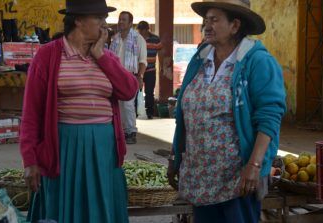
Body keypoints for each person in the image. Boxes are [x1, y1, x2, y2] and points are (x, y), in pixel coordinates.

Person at [167, 0, 286, 223]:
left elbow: (270, 116)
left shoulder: (257, 61)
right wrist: (176, 154)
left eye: (215, 20)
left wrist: (254, 166)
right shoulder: (201, 59)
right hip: (200, 176)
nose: (207, 26)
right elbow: (184, 113)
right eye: (206, 20)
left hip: (237, 178)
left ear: (235, 26)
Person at [20, 0, 138, 222]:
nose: (105, 24)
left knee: (100, 207)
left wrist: (101, 56)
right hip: (64, 147)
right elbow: (31, 113)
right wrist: (30, 160)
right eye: (99, 18)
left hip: (103, 149)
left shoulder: (106, 56)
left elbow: (129, 90)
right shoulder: (48, 55)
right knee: (63, 208)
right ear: (79, 20)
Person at [110, 11, 147, 144]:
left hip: (130, 76)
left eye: (124, 20)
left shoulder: (138, 39)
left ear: (131, 23)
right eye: (120, 19)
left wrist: (140, 77)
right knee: (118, 104)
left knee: (128, 105)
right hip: (116, 76)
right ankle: (121, 131)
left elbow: (143, 60)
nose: (121, 22)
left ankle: (131, 132)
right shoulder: (115, 39)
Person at [137, 21, 163, 119]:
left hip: (150, 70)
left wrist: (162, 66)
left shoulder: (155, 39)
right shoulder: (136, 39)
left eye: (142, 30)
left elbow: (160, 53)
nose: (140, 32)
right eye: (139, 30)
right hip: (138, 70)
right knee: (136, 91)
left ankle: (150, 112)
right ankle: (135, 112)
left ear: (147, 30)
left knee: (149, 92)